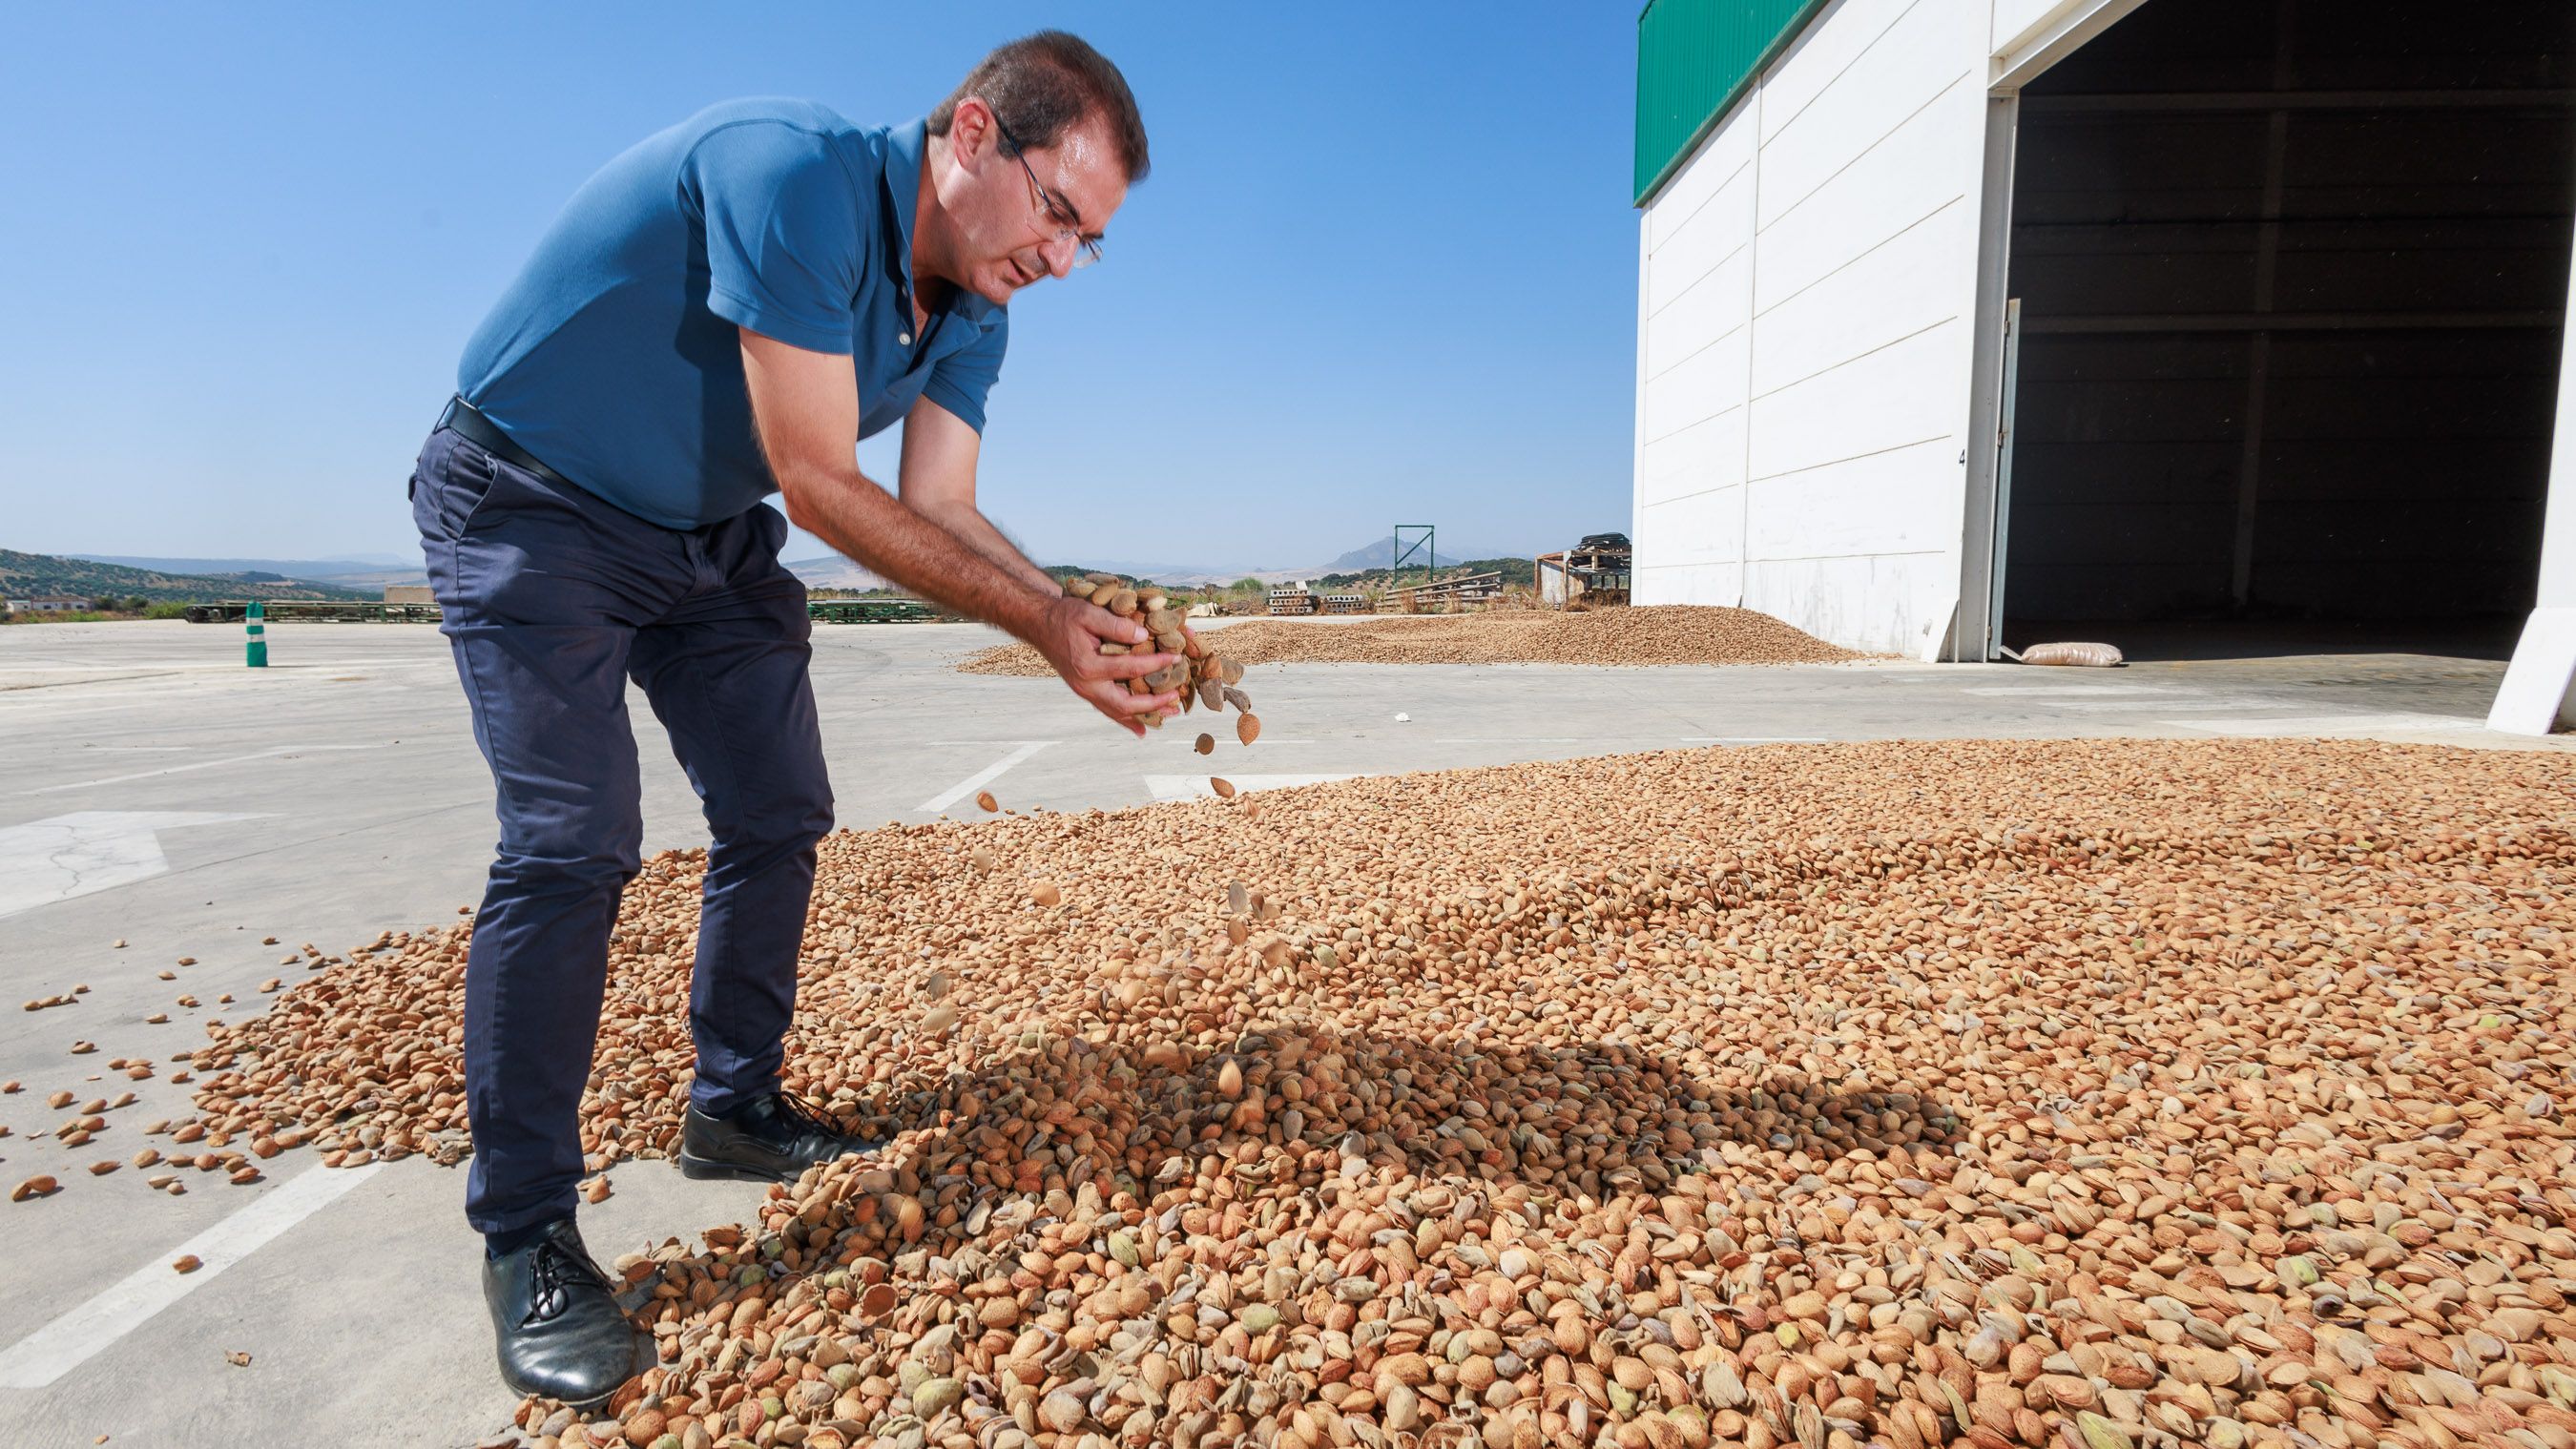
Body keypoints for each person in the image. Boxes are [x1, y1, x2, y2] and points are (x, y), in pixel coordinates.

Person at [406, 31, 1172, 1405]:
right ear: (975, 137)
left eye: (1090, 242)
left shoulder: (975, 310)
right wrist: (1043, 624)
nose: (1063, 260)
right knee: (576, 841)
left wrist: (1076, 618)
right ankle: (524, 1232)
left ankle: (733, 1106)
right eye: (1060, 214)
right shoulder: (793, 177)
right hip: (529, 497)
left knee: (780, 809)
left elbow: (941, 506)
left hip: (700, 536)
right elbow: (820, 485)